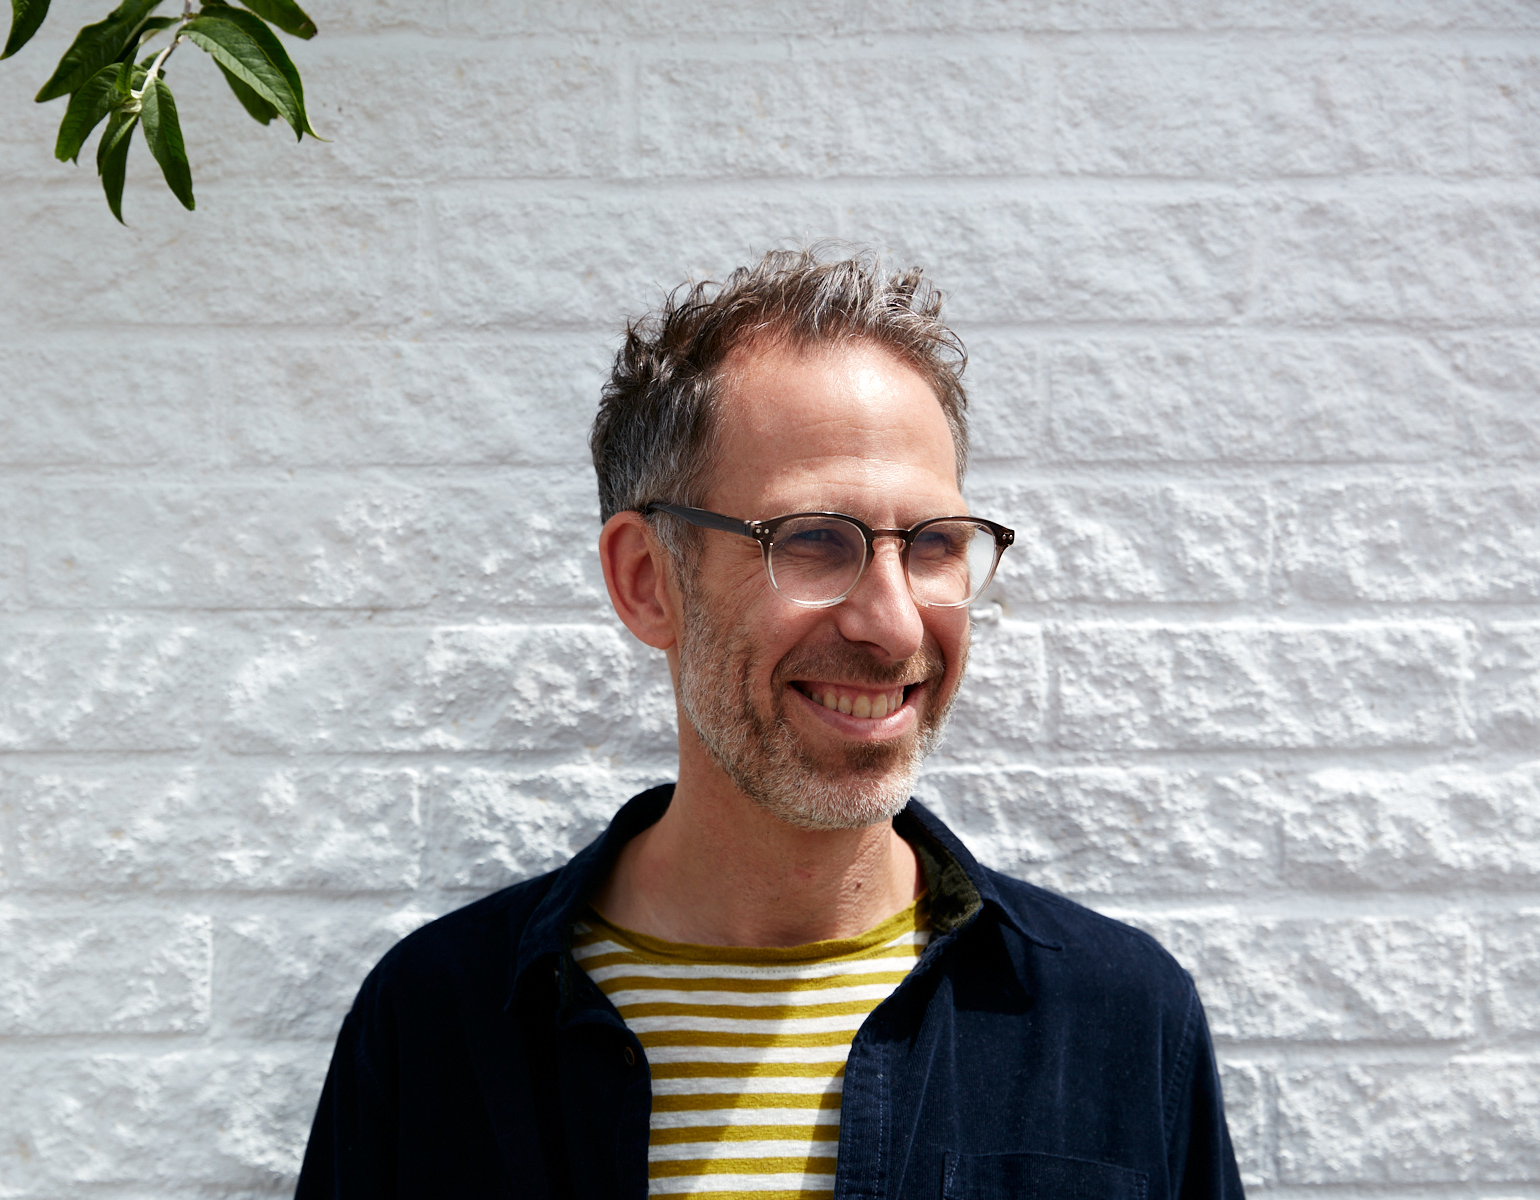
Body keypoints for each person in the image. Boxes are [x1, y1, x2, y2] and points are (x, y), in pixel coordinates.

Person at [294, 246, 1244, 1200]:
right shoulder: (435, 1024)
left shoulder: (1122, 1020)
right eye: (814, 541)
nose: (894, 624)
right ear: (645, 580)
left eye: (934, 545)